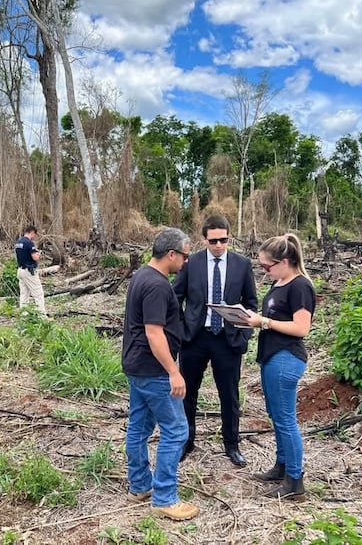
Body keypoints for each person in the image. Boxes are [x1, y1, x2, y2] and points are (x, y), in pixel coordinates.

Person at [122, 227, 199, 521]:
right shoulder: (157, 285)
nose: (186, 261)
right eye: (185, 255)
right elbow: (154, 334)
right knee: (177, 430)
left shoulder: (142, 275)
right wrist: (173, 372)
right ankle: (165, 497)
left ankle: (140, 485)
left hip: (136, 366)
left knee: (139, 427)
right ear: (171, 254)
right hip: (153, 369)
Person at [172, 214, 258, 467]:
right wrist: (180, 328)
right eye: (213, 241)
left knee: (229, 395)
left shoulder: (242, 264)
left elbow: (251, 303)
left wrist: (244, 332)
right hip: (195, 338)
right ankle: (186, 442)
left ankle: (232, 445)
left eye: (223, 240)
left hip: (228, 340)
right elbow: (175, 296)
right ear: (204, 240)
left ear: (229, 238)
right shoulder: (192, 263)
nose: (219, 245)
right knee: (187, 393)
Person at [239, 233, 315, 501]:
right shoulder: (281, 282)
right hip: (271, 356)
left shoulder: (300, 286)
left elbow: (301, 328)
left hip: (286, 357)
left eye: (266, 267)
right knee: (276, 414)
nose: (263, 271)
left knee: (285, 419)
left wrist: (264, 323)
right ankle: (282, 466)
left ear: (284, 261)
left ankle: (295, 480)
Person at [14, 225, 46, 315]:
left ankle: (24, 316)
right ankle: (42, 316)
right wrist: (38, 253)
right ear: (32, 232)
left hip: (20, 270)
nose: (34, 237)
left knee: (24, 294)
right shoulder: (29, 243)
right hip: (29, 271)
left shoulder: (18, 242)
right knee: (38, 293)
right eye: (34, 235)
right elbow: (35, 257)